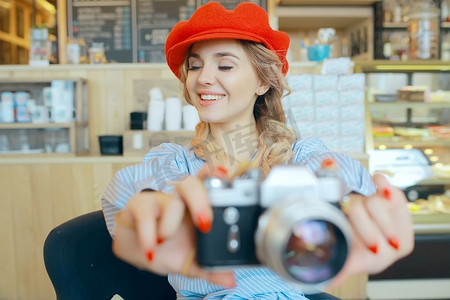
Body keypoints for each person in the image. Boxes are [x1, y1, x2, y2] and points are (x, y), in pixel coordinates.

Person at [102, 2, 414, 299]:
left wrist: (354, 201)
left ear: (263, 82)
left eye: (224, 65)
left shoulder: (298, 157)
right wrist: (149, 205)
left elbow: (343, 175)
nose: (203, 79)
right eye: (195, 66)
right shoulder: (175, 163)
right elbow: (126, 190)